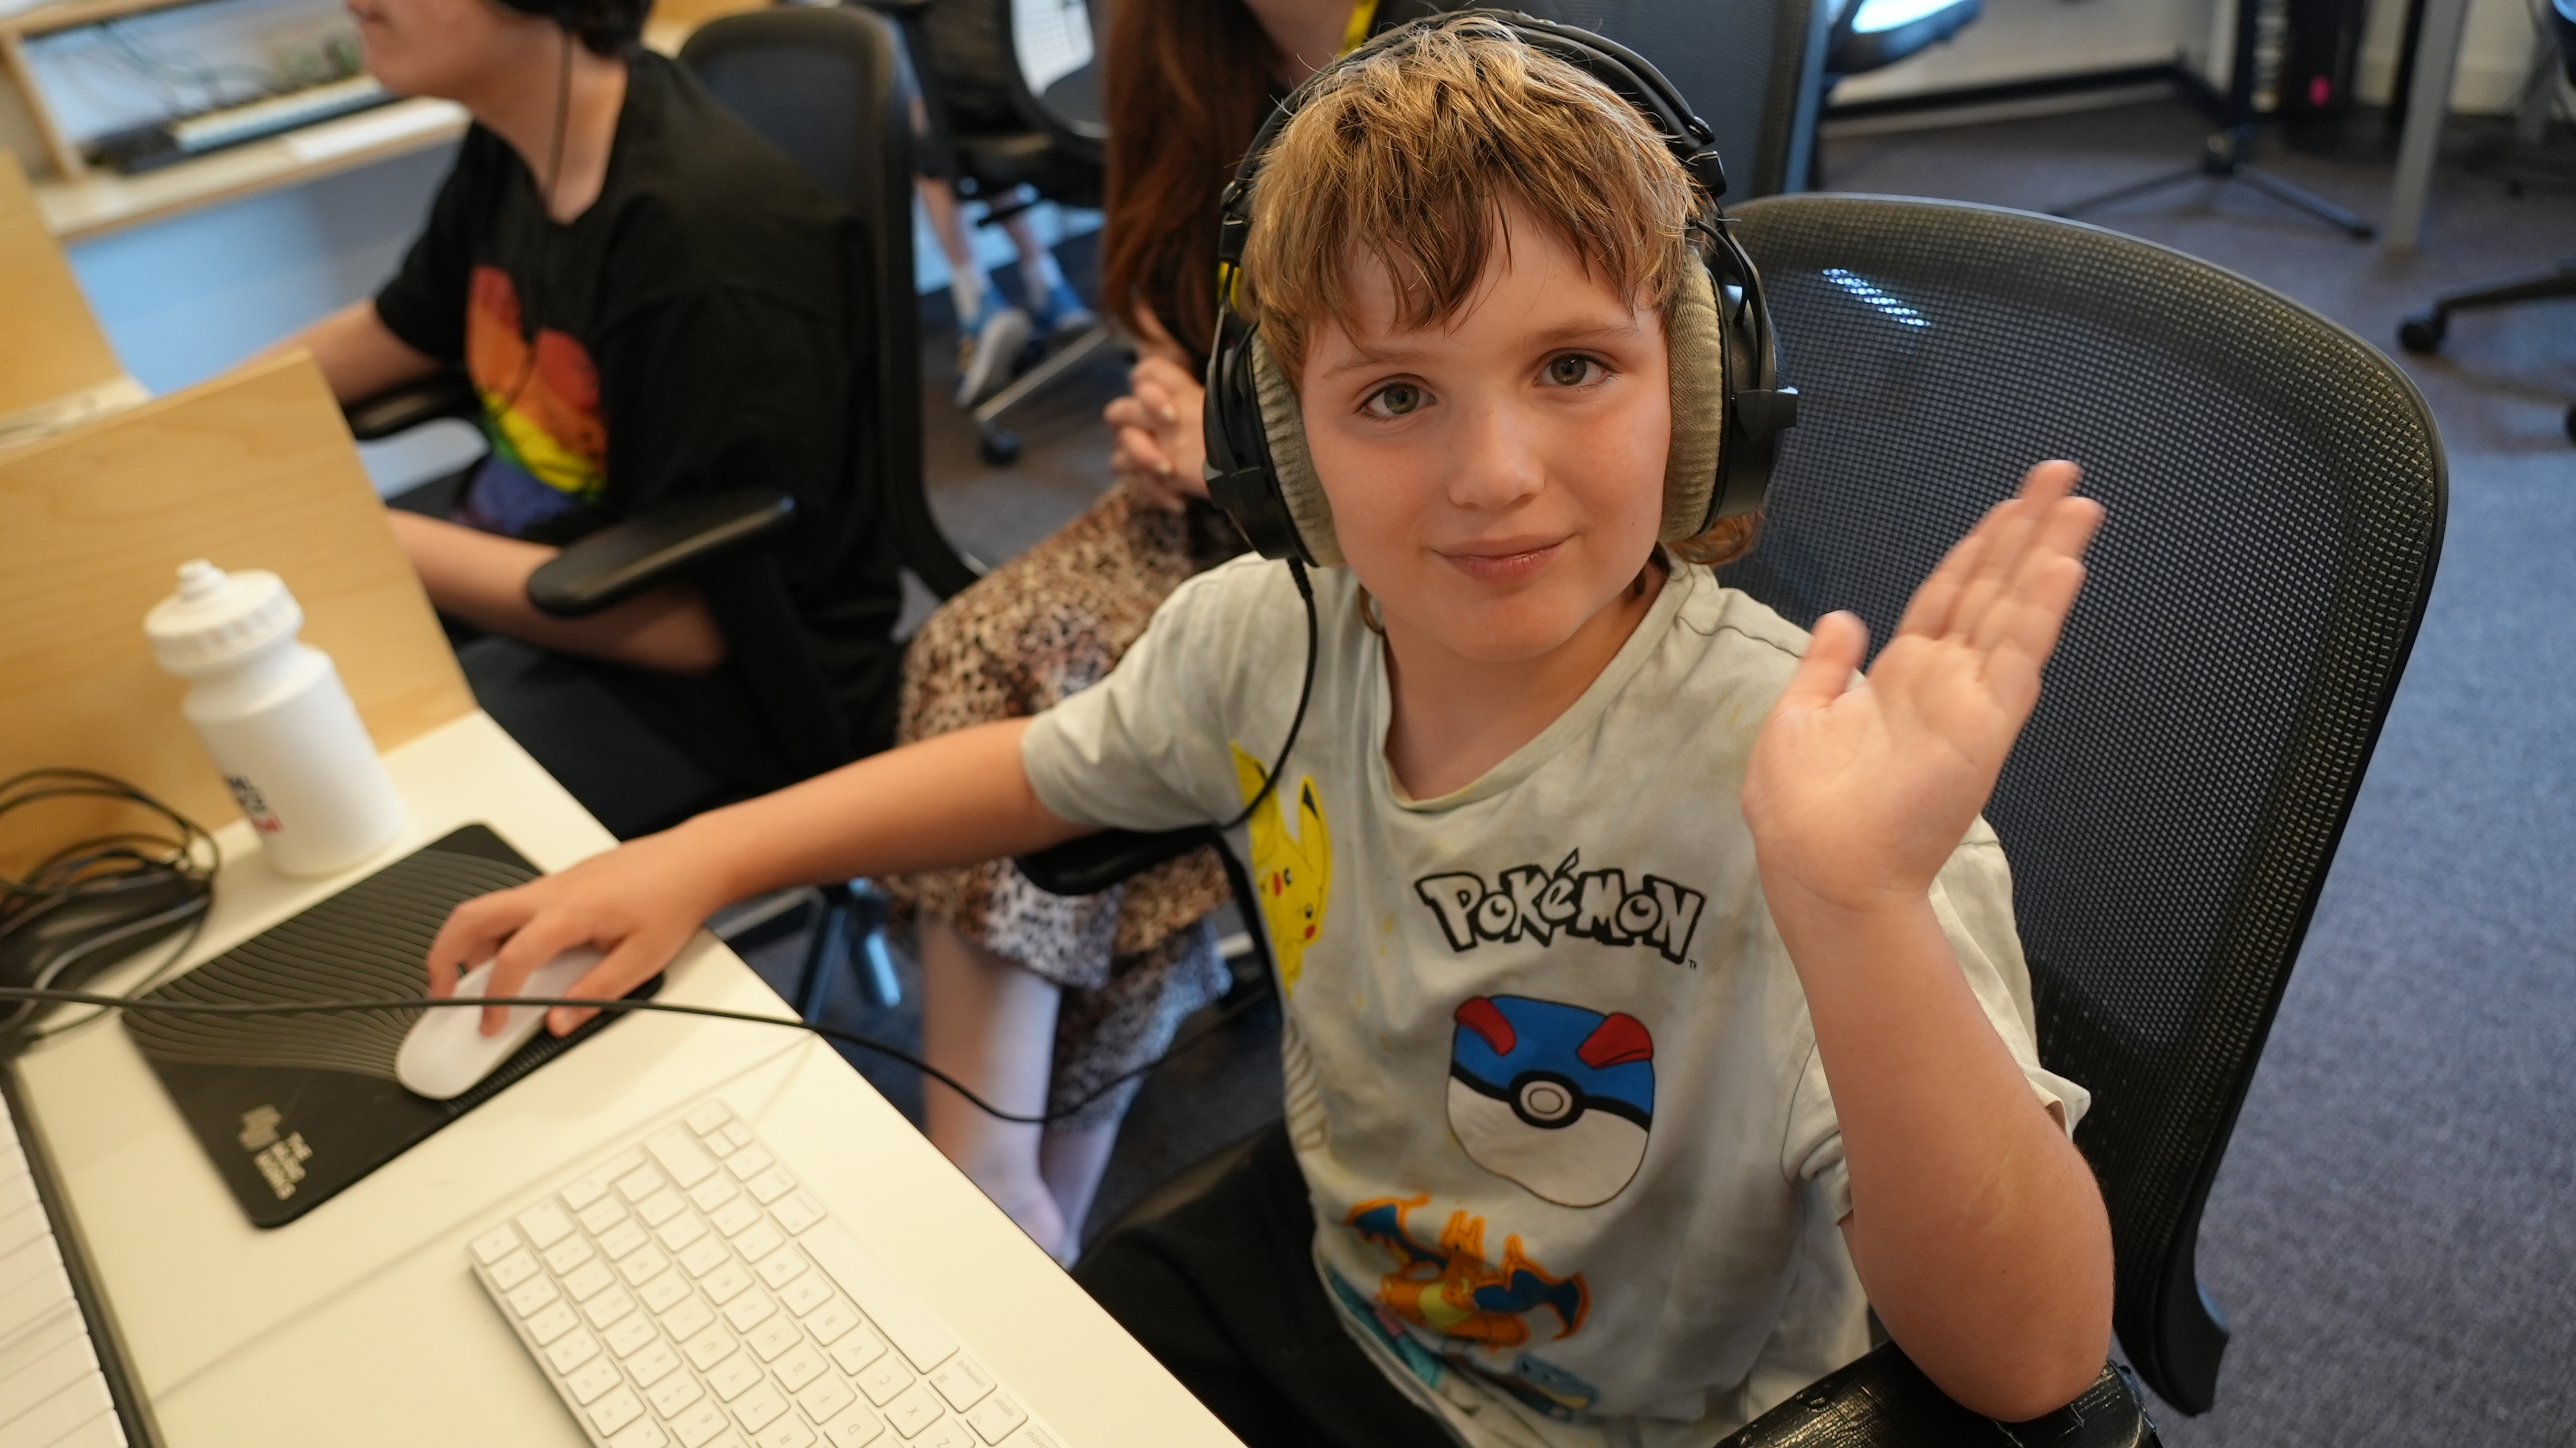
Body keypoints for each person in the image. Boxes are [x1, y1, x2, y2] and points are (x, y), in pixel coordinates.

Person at [425, 16, 2116, 1444]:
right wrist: (696, 859)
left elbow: (2035, 1362)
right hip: (1336, 1280)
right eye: (1394, 395)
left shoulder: (1813, 793)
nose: (1494, 473)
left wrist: (1862, 913)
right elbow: (1032, 770)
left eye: (1575, 369)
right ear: (1280, 452)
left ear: (1702, 389)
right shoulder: (1264, 637)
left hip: (1627, 1413)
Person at [891, 0, 1506, 1268]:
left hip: (1391, 523)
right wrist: (1176, 395)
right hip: (1214, 496)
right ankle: (998, 1181)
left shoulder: (1480, 46)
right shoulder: (1170, 37)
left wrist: (1243, 460)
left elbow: (1481, 410)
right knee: (977, 648)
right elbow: (1165, 300)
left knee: (1132, 697)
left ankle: (1008, 1202)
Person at [253, 0, 903, 839]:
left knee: (324, 798)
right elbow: (397, 329)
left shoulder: (703, 243)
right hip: (541, 569)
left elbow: (697, 628)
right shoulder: (522, 140)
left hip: (715, 687)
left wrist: (352, 533)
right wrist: (167, 437)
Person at [905, 0, 1098, 407]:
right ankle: (1047, 287)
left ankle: (976, 305)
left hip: (995, 109)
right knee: (961, 125)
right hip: (1086, 106)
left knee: (925, 128)